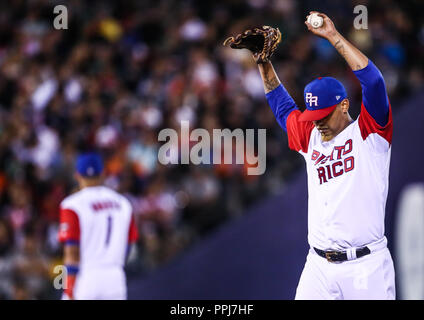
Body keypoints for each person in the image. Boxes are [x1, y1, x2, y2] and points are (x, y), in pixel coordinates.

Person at [256, 12, 395, 299]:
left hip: (365, 267)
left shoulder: (370, 133)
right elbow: (282, 107)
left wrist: (333, 36)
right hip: (318, 267)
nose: (317, 121)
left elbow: (374, 83)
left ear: (344, 105)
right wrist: (263, 63)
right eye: (313, 115)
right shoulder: (312, 137)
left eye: (323, 114)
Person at [58, 152, 138, 300]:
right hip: (115, 277)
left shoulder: (72, 205)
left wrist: (69, 287)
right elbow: (128, 245)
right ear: (102, 173)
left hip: (86, 277)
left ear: (77, 175)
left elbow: (72, 252)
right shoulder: (123, 203)